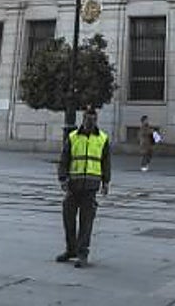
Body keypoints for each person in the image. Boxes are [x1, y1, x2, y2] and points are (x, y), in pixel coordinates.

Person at [56, 107, 111, 268]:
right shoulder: (73, 137)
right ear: (83, 119)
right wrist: (63, 178)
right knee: (68, 217)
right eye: (87, 119)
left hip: (91, 187)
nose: (90, 122)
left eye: (93, 119)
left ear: (96, 120)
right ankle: (71, 249)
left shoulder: (102, 138)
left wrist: (106, 182)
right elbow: (64, 159)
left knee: (86, 222)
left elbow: (106, 161)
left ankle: (82, 253)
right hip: (73, 185)